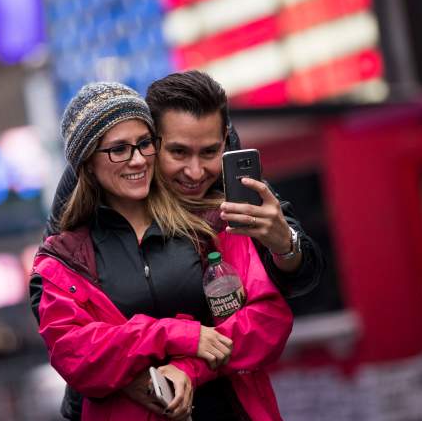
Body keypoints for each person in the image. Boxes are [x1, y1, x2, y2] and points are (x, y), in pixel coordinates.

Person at [36, 70, 324, 419]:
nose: (195, 171)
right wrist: (146, 361)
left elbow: (271, 314)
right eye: (178, 152)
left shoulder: (224, 213)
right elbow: (65, 332)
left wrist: (286, 246)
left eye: (209, 152)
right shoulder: (73, 239)